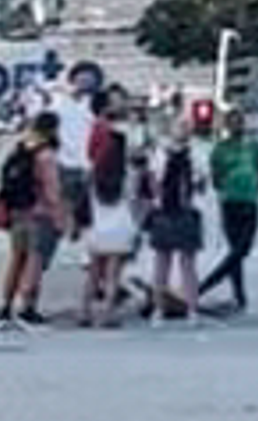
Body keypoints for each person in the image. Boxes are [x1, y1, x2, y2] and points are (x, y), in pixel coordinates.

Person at [0, 121, 60, 322]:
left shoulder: (19, 154)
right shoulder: (46, 157)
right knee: (35, 261)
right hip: (38, 215)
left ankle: (6, 307)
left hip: (16, 215)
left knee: (16, 259)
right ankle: (27, 306)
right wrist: (59, 216)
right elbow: (52, 192)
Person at [201, 111, 258, 310]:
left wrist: (255, 186)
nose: (237, 127)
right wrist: (226, 187)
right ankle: (239, 295)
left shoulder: (254, 148)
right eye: (232, 124)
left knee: (242, 249)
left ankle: (205, 285)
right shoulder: (220, 149)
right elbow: (215, 176)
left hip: (250, 200)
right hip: (230, 201)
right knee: (235, 250)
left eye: (239, 123)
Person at [77, 117, 137, 327]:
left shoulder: (94, 174)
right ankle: (107, 315)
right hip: (120, 228)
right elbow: (135, 199)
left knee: (93, 274)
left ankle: (84, 312)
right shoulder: (127, 175)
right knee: (113, 275)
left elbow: (83, 201)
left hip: (97, 229)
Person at [144, 128, 204, 320]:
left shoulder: (160, 156)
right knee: (188, 264)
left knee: (162, 263)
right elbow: (201, 185)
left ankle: (158, 309)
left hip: (164, 212)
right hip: (187, 212)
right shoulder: (196, 156)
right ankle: (192, 308)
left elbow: (152, 184)